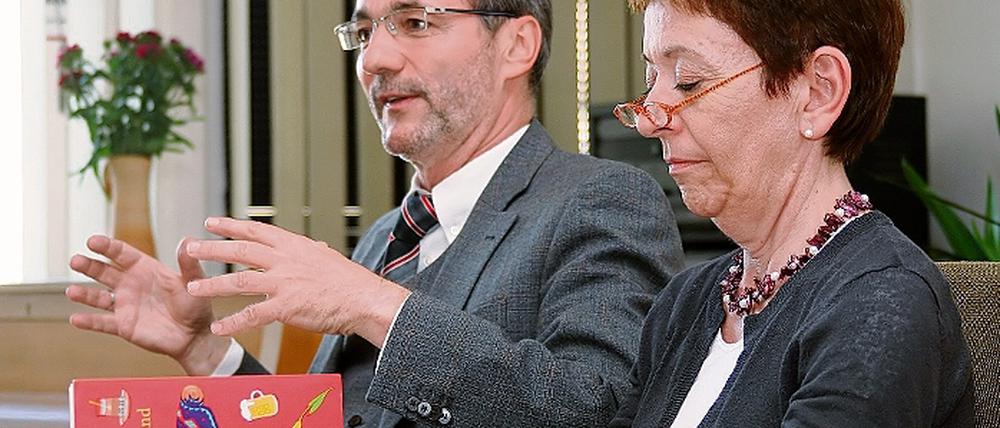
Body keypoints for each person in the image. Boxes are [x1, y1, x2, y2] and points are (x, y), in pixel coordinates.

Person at [66, 0, 685, 426]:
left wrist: (372, 304)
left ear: (516, 44)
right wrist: (207, 352)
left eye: (414, 22)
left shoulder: (601, 198)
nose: (373, 60)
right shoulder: (387, 236)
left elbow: (596, 409)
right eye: (365, 32)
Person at [607, 0, 974, 426]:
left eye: (689, 81)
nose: (648, 120)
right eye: (652, 80)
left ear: (819, 92)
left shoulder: (882, 302)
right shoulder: (683, 303)